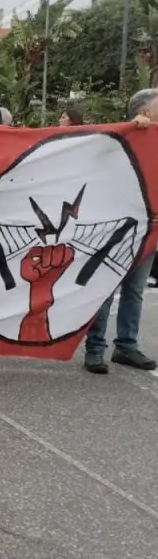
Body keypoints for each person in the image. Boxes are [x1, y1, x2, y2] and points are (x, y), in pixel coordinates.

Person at [84, 88, 158, 374]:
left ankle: (126, 346)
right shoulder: (118, 139)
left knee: (134, 290)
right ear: (144, 112)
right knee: (105, 288)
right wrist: (135, 131)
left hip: (148, 228)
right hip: (118, 229)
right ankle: (95, 348)